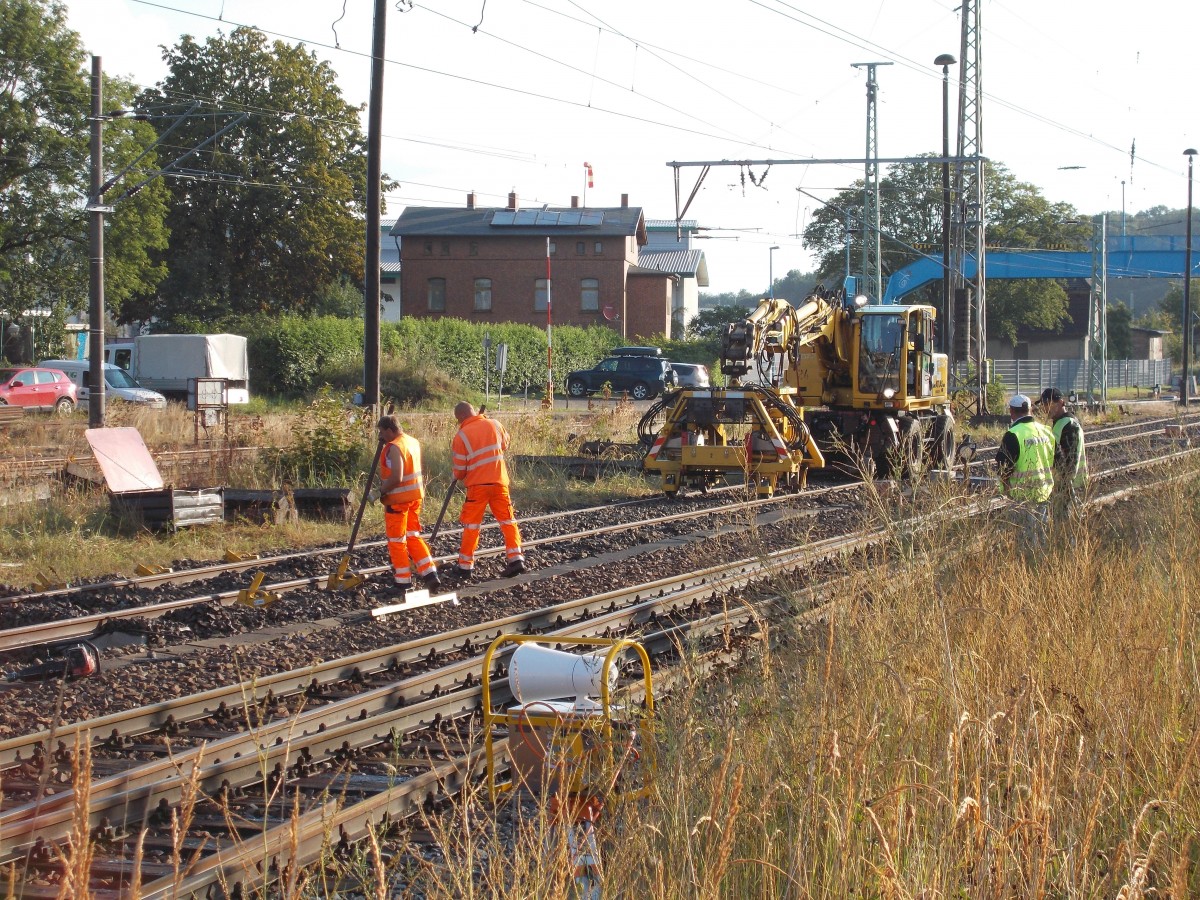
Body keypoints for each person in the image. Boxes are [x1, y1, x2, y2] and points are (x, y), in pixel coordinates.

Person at [445, 401, 526, 580]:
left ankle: (465, 566)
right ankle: (516, 559)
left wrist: (456, 475)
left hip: (477, 487)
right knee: (507, 521)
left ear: (461, 418)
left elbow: (460, 470)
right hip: (499, 482)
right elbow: (505, 444)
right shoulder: (495, 424)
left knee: (472, 526)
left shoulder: (461, 436)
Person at [376, 416, 440, 597]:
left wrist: (380, 490)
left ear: (389, 430)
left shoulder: (395, 447)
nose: (380, 437)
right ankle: (430, 573)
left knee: (397, 540)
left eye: (381, 432)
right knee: (413, 535)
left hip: (398, 500)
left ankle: (403, 582)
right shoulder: (411, 441)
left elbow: (397, 477)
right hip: (415, 498)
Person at [995, 393, 1055, 549]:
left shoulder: (1013, 434)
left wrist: (1005, 490)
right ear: (1030, 410)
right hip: (1044, 492)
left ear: (1011, 412)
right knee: (1042, 535)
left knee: (1025, 540)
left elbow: (1004, 468)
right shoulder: (1047, 431)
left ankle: (1028, 567)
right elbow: (1056, 461)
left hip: (1021, 496)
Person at [1039, 387, 1087, 526]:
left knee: (1065, 524)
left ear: (1060, 402)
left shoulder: (1068, 424)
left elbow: (1070, 458)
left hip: (1069, 484)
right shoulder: (1059, 423)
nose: (1045, 407)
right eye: (1043, 404)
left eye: (1048, 403)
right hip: (1063, 484)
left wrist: (1066, 484)